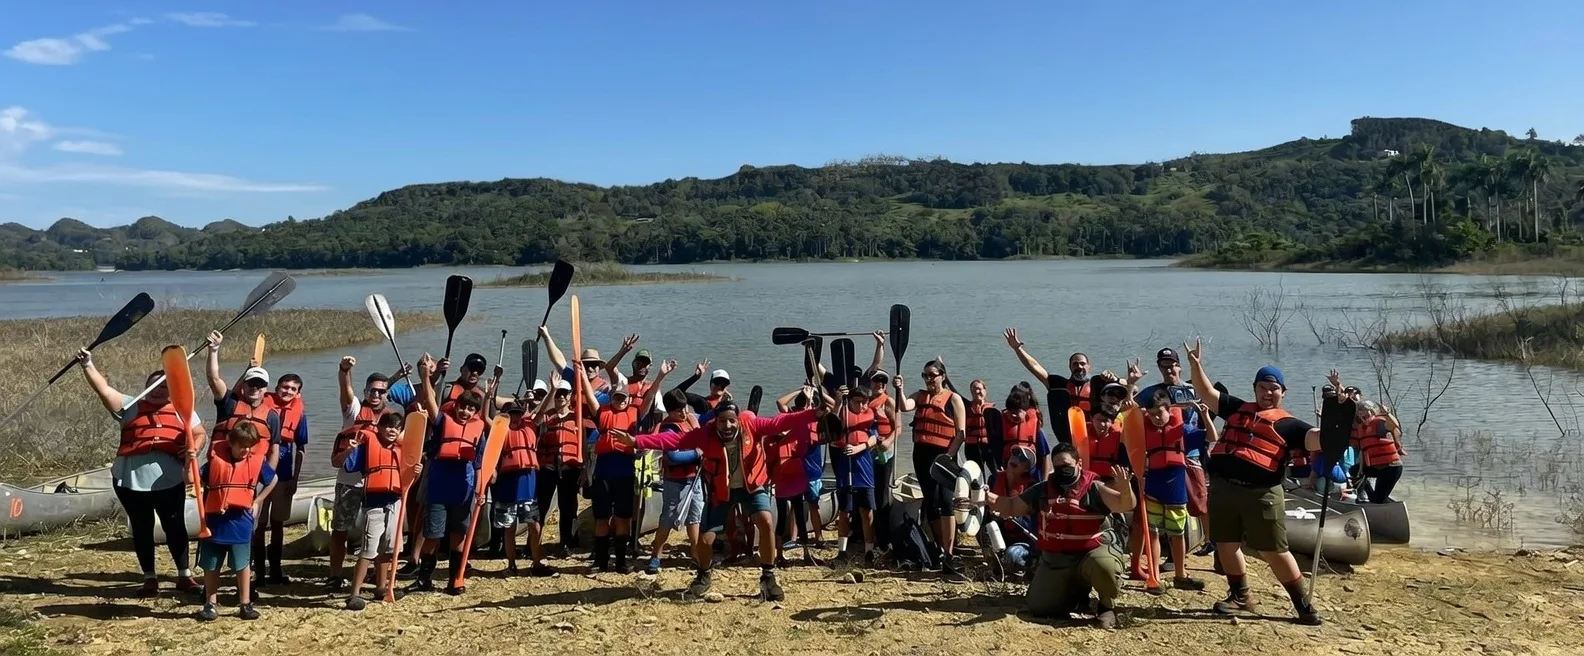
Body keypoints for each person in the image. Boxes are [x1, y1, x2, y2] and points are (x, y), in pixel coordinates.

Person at [611, 394, 826, 601]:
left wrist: (814, 414)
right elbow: (673, 439)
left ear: (738, 420)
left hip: (751, 487)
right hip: (721, 491)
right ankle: (704, 575)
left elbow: (782, 421)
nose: (727, 426)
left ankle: (768, 577)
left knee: (766, 521)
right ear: (716, 422)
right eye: (722, 421)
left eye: (732, 421)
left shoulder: (753, 426)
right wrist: (636, 441)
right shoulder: (706, 434)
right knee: (706, 539)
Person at [1183, 339, 1324, 625]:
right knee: (1226, 543)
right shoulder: (1236, 409)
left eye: (1274, 389)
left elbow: (1316, 440)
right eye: (1263, 387)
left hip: (1261, 494)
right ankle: (1240, 595)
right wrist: (1196, 366)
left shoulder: (1291, 425)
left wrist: (1338, 420)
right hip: (1224, 488)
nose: (1268, 393)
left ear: (1283, 392)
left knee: (1273, 549)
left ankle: (1303, 605)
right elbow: (1206, 393)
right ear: (1255, 389)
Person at [76, 349, 202, 597]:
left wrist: (193, 449)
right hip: (129, 481)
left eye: (165, 386)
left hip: (169, 482)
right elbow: (104, 389)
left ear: (172, 390)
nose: (158, 390)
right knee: (142, 528)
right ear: (145, 387)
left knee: (174, 527)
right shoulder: (129, 405)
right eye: (154, 385)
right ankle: (150, 578)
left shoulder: (182, 408)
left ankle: (184, 576)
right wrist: (87, 364)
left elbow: (200, 433)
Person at [969, 443, 1137, 629]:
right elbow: (1011, 506)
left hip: (1092, 551)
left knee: (1104, 565)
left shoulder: (1094, 488)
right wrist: (986, 496)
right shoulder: (1042, 490)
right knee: (1040, 607)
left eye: (1067, 466)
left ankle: (1106, 606)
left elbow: (1125, 505)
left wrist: (1125, 488)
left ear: (1079, 464)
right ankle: (1076, 594)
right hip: (1058, 559)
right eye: (1057, 467)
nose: (1062, 471)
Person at [407, 353, 497, 595]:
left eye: (470, 409)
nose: (465, 412)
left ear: (475, 412)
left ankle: (455, 580)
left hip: (463, 490)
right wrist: (426, 376)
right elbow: (429, 399)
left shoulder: (479, 430)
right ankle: (424, 579)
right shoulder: (442, 420)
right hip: (439, 487)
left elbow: (479, 464)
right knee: (433, 535)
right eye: (462, 407)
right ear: (455, 406)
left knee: (458, 537)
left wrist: (480, 491)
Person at [329, 356, 413, 589]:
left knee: (382, 535)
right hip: (350, 482)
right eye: (372, 391)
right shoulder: (354, 409)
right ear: (365, 392)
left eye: (381, 392)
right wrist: (344, 369)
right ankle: (335, 575)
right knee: (340, 528)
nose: (376, 395)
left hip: (380, 485)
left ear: (388, 394)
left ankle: (380, 580)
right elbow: (345, 389)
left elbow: (408, 447)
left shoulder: (392, 418)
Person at [589, 359, 674, 573]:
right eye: (616, 397)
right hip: (603, 473)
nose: (619, 400)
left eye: (623, 397)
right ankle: (600, 560)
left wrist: (661, 376)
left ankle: (620, 560)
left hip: (625, 473)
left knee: (623, 518)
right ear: (612, 397)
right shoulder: (602, 412)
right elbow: (589, 396)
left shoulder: (635, 413)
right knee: (601, 518)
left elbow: (650, 397)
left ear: (628, 399)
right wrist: (581, 374)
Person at [334, 412, 421, 609]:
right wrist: (350, 450)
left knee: (389, 548)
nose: (392, 431)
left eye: (397, 428)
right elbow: (346, 466)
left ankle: (381, 587)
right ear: (380, 428)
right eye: (388, 427)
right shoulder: (367, 446)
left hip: (395, 501)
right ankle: (354, 593)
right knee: (368, 549)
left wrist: (418, 472)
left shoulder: (401, 449)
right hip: (373, 503)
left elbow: (407, 479)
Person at [894, 360, 970, 582]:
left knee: (946, 502)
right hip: (921, 454)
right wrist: (899, 389)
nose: (928, 380)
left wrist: (948, 457)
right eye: (925, 376)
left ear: (942, 376)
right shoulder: (919, 396)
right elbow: (904, 406)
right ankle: (939, 547)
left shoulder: (953, 399)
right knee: (930, 501)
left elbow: (961, 433)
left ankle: (950, 553)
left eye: (932, 375)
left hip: (943, 457)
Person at [195, 421, 276, 621]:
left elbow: (272, 480)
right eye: (242, 446)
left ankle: (245, 604)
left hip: (241, 521)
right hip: (215, 521)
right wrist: (191, 458)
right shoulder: (215, 461)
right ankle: (210, 603)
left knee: (242, 564)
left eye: (250, 446)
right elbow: (192, 479)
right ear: (231, 443)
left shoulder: (256, 462)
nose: (246, 450)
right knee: (212, 565)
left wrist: (258, 501)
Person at [1135, 391, 1212, 591]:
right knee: (1153, 533)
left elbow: (1212, 437)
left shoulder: (1183, 430)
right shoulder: (1145, 430)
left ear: (1170, 410)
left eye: (1159, 413)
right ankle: (1154, 577)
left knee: (1177, 534)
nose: (1156, 418)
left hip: (1176, 491)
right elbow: (1131, 410)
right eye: (1151, 414)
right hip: (1152, 487)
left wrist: (1204, 415)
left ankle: (1180, 575)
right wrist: (1131, 385)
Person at [492, 396, 554, 577]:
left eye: (518, 414)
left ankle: (536, 562)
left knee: (534, 525)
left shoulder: (530, 427)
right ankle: (511, 565)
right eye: (511, 414)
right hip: (507, 485)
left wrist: (552, 389)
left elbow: (541, 411)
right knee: (509, 527)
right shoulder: (499, 431)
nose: (515, 418)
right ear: (506, 416)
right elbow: (486, 419)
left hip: (528, 485)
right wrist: (489, 396)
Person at [645, 389, 704, 575]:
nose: (684, 413)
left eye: (684, 408)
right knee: (668, 518)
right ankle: (656, 554)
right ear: (670, 412)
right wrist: (696, 453)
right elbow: (673, 456)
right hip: (675, 481)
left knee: (695, 517)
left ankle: (696, 553)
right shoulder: (668, 428)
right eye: (679, 410)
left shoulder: (692, 419)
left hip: (695, 478)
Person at [202, 331, 281, 470]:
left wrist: (267, 479)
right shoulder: (229, 403)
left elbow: (274, 451)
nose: (255, 387)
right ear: (243, 385)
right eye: (251, 383)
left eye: (260, 384)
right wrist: (213, 350)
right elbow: (213, 378)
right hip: (221, 470)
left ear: (265, 388)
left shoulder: (272, 416)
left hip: (251, 476)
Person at [256, 372, 306, 587]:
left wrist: (295, 479)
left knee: (277, 524)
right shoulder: (263, 406)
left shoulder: (300, 413)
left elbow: (301, 448)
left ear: (298, 393)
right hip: (259, 474)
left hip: (284, 477)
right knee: (258, 524)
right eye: (284, 387)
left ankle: (275, 570)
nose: (287, 391)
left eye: (292, 389)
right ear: (276, 388)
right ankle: (258, 572)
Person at [768, 387, 826, 567]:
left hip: (797, 475)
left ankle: (805, 554)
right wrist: (801, 391)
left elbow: (811, 415)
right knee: (785, 518)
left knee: (800, 517)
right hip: (785, 476)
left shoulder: (803, 421)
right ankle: (780, 556)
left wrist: (808, 398)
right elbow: (781, 403)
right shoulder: (789, 420)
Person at [831, 385, 880, 563]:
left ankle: (869, 550)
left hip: (864, 468)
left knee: (867, 511)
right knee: (845, 512)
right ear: (850, 400)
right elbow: (831, 426)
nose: (860, 406)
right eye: (857, 402)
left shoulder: (870, 416)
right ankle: (842, 551)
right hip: (846, 468)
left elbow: (875, 437)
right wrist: (838, 400)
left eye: (864, 403)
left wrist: (859, 447)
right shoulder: (841, 413)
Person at [1004, 328, 1091, 414]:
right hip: (1066, 427)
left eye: (1082, 364)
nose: (1079, 366)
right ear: (1070, 367)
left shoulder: (1096, 386)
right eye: (1075, 364)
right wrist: (1018, 349)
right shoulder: (1058, 385)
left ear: (1089, 367)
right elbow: (1034, 366)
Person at [986, 445, 1040, 574]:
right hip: (1000, 532)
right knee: (984, 526)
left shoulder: (1032, 487)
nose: (1016, 459)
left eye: (1022, 459)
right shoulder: (994, 479)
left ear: (1026, 468)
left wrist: (1011, 515)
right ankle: (995, 559)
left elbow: (1032, 523)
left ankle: (1031, 562)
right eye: (1014, 455)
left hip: (1023, 538)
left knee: (1012, 556)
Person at [962, 379, 997, 473]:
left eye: (979, 389)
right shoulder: (965, 407)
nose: (977, 392)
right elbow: (953, 392)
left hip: (989, 446)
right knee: (976, 475)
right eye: (974, 390)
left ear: (985, 390)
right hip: (972, 446)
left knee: (997, 473)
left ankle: (996, 487)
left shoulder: (992, 410)